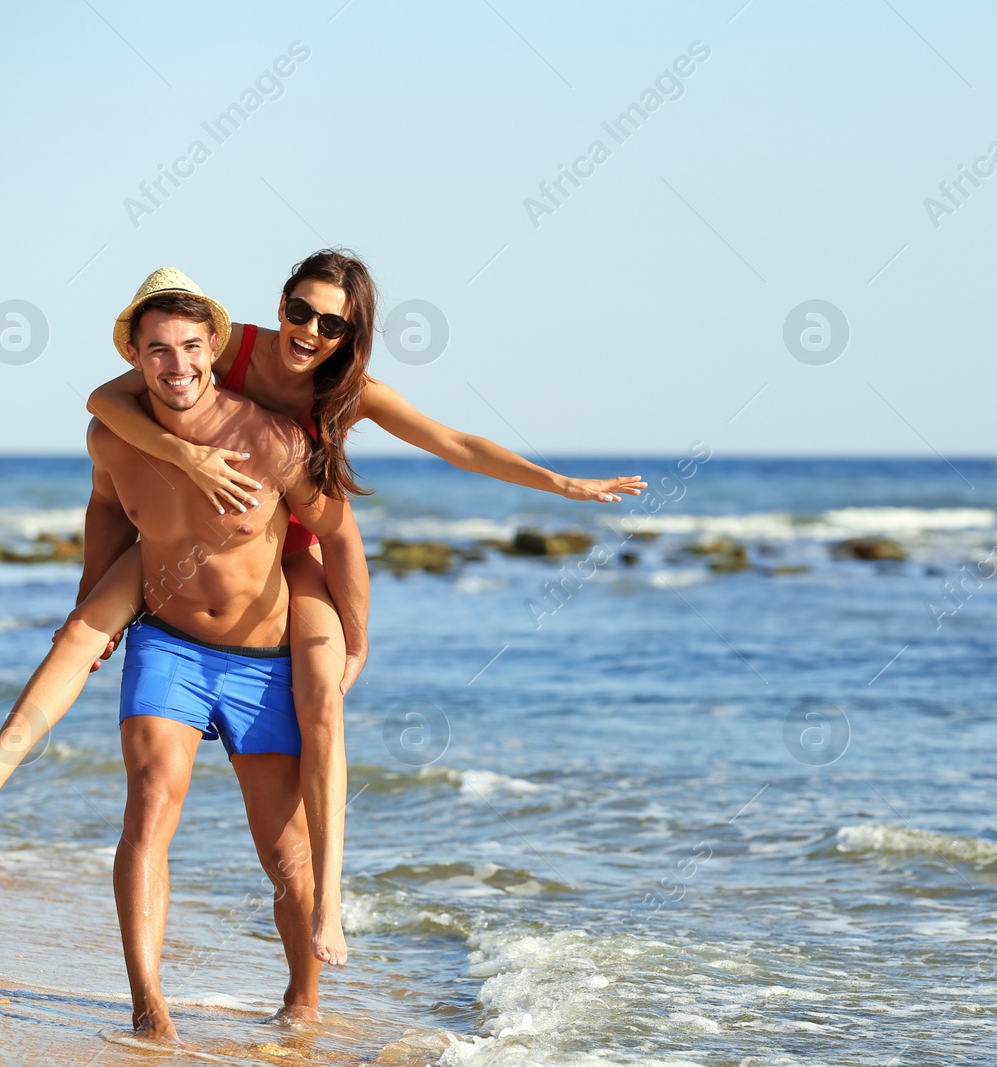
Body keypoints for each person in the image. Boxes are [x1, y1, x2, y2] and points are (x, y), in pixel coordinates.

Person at [85, 249, 647, 967]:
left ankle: (329, 907)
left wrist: (559, 484)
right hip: (217, 549)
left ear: (349, 336)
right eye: (300, 310)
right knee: (87, 652)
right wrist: (186, 458)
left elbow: (455, 444)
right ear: (280, 302)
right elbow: (105, 401)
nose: (309, 331)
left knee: (324, 700)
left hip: (297, 555)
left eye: (331, 324)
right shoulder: (222, 347)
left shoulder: (352, 391)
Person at [0, 269, 370, 1040]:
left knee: (284, 853)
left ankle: (303, 1001)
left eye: (192, 346)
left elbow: (338, 534)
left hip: (263, 659)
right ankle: (148, 1007)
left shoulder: (270, 438)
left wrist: (355, 637)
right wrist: (94, 595)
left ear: (214, 347)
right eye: (157, 349)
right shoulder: (111, 436)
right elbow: (106, 508)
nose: (177, 365)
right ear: (134, 353)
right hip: (170, 642)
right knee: (150, 809)